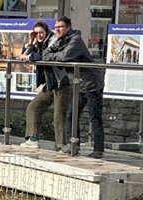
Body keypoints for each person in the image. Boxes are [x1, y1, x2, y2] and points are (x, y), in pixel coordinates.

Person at [44, 16, 105, 158]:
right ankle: (74, 146)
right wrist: (56, 55)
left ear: (68, 27)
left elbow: (65, 57)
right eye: (56, 27)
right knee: (72, 115)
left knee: (94, 116)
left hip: (92, 83)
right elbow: (45, 53)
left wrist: (55, 55)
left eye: (61, 27)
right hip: (78, 84)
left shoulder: (75, 40)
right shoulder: (61, 40)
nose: (57, 29)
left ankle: (98, 150)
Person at [19, 20, 71, 150]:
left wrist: (29, 57)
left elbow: (44, 56)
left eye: (41, 33)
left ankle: (61, 145)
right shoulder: (38, 43)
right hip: (50, 83)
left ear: (46, 32)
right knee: (33, 107)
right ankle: (32, 139)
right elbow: (23, 55)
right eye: (36, 33)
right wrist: (31, 43)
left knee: (59, 114)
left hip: (62, 82)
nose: (39, 35)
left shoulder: (54, 40)